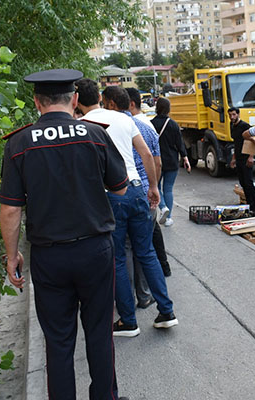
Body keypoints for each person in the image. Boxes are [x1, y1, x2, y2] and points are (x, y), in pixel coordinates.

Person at [0, 69, 130, 400]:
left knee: (58, 341)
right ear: (74, 99)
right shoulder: (95, 134)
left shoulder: (19, 143)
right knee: (99, 334)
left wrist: (12, 255)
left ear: (36, 102)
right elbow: (120, 188)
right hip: (95, 250)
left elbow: (11, 209)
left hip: (49, 257)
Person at [76, 82, 178, 338]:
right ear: (100, 98)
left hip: (110, 195)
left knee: (118, 258)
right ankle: (167, 312)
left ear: (76, 100)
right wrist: (153, 187)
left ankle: (129, 321)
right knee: (147, 252)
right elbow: (146, 154)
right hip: (136, 189)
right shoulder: (124, 118)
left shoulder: (81, 126)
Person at [126, 87, 172, 277]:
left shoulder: (135, 125)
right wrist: (153, 185)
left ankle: (155, 274)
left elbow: (153, 159)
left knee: (140, 244)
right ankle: (162, 269)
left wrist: (153, 186)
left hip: (137, 189)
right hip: (146, 187)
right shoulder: (146, 124)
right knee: (150, 234)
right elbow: (156, 161)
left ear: (130, 104)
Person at [151, 97, 191, 227]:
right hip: (172, 161)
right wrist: (185, 158)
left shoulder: (151, 124)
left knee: (156, 186)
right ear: (168, 109)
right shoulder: (173, 124)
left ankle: (163, 207)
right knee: (168, 189)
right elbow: (180, 144)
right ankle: (168, 218)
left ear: (157, 108)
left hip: (156, 162)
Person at [228, 107, 255, 215]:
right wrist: (233, 159)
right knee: (243, 182)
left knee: (248, 182)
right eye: (230, 115)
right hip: (238, 158)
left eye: (234, 114)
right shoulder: (232, 125)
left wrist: (251, 157)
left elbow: (254, 141)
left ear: (238, 114)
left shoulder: (245, 126)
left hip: (246, 158)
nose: (232, 117)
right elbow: (236, 143)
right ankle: (249, 205)